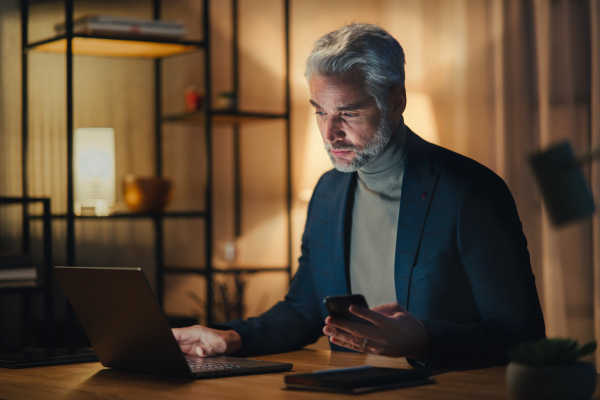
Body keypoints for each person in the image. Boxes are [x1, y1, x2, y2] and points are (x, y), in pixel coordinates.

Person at [172, 23, 545, 369]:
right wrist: (230, 338)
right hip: (349, 390)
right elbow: (305, 311)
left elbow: (522, 338)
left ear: (396, 102)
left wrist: (424, 341)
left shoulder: (469, 192)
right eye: (320, 112)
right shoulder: (328, 191)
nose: (330, 133)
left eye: (348, 113)